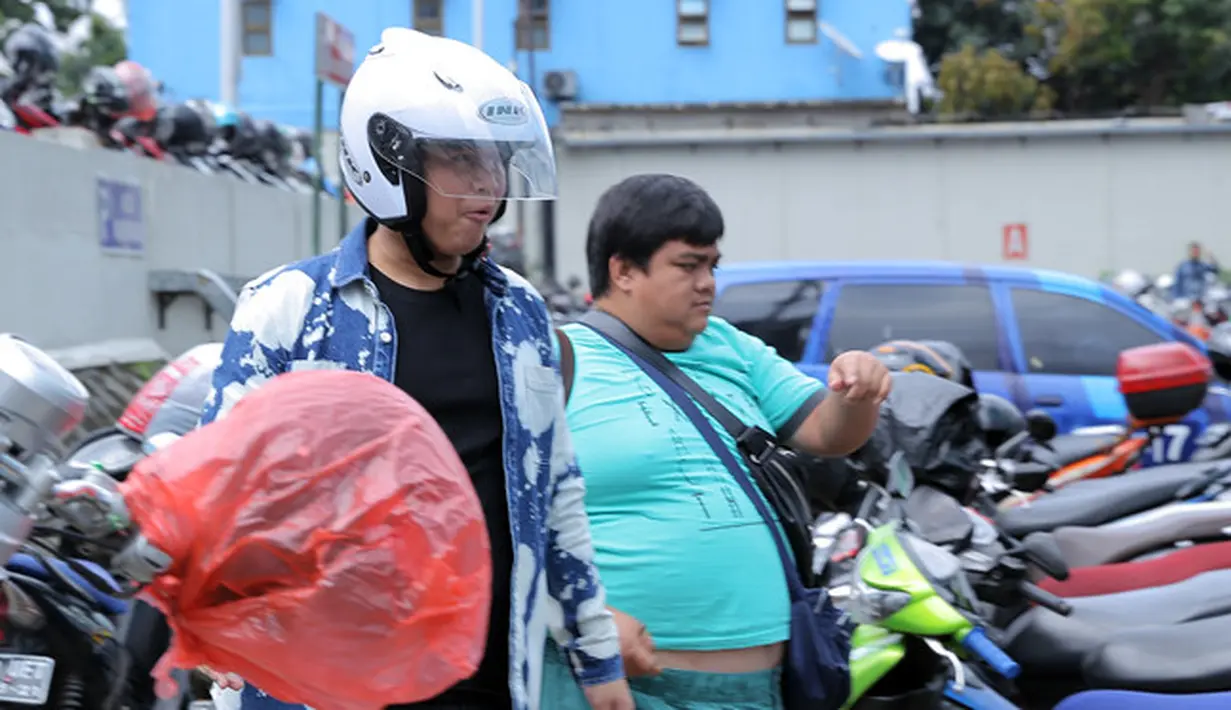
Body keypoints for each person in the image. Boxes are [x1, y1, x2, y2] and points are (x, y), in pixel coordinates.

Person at [198, 28, 632, 710]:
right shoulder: (288, 308)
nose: (488, 184)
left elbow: (554, 494)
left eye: (494, 161)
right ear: (387, 163)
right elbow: (220, 486)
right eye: (461, 159)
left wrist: (598, 660)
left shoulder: (519, 312)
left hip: (485, 679)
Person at [542, 174, 892, 709]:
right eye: (688, 265)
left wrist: (857, 394)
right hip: (625, 690)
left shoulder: (732, 347)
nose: (707, 283)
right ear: (624, 270)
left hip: (759, 690)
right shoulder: (554, 359)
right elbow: (497, 524)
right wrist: (580, 617)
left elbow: (828, 433)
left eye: (713, 265)